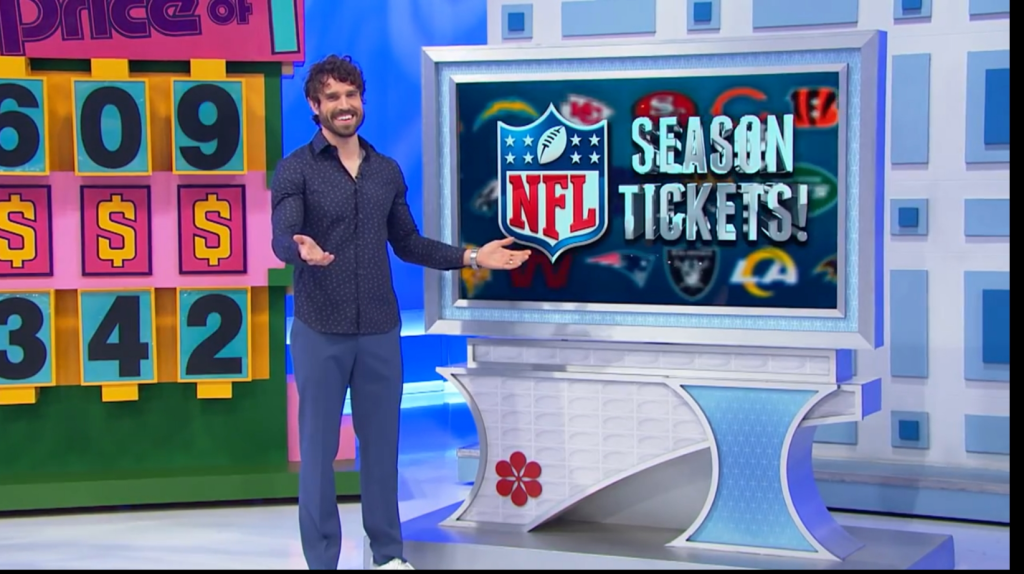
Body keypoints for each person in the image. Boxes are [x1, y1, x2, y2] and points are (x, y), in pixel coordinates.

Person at [270, 54, 530, 571]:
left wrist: (472, 256)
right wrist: (300, 249)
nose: (345, 106)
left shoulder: (385, 170)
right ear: (314, 106)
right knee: (318, 457)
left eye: (352, 96)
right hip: (321, 329)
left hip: (379, 331)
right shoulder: (296, 168)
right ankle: (322, 562)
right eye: (333, 98)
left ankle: (387, 556)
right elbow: (283, 235)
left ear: (360, 101)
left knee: (382, 452)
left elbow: (407, 243)